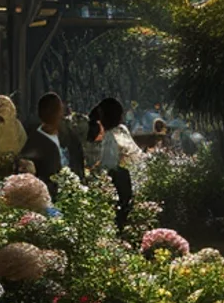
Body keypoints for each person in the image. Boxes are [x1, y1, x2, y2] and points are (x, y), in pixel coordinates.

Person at [15, 92, 84, 197]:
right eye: (57, 111)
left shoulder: (69, 135)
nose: (60, 115)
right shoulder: (34, 142)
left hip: (72, 194)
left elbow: (78, 163)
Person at [92, 98, 145, 226]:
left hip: (124, 189)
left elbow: (108, 168)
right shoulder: (122, 130)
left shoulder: (110, 137)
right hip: (138, 179)